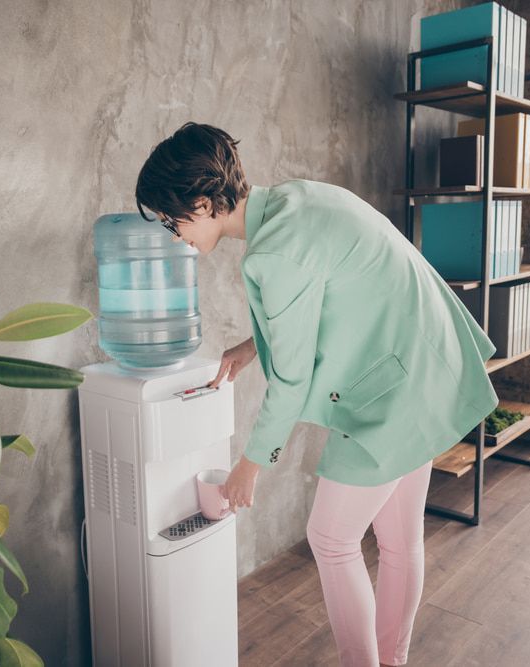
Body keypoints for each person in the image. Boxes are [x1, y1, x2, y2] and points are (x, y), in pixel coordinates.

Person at [135, 122, 498, 667]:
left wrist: (250, 465)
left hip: (395, 396)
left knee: (329, 539)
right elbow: (316, 299)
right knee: (400, 540)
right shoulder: (295, 199)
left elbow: (293, 379)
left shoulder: (272, 254)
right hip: (429, 365)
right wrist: (249, 346)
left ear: (206, 203)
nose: (173, 233)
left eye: (173, 219)